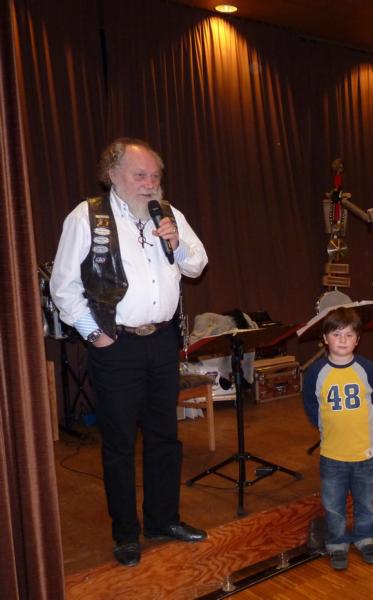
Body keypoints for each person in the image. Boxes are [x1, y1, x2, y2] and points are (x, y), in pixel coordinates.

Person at [50, 138, 209, 567]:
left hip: (162, 342)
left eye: (155, 176)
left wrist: (176, 242)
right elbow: (63, 287)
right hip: (115, 344)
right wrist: (95, 335)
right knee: (119, 443)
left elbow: (197, 265)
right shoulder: (86, 216)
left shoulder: (169, 214)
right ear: (112, 175)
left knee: (164, 437)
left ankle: (163, 520)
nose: (149, 183)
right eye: (140, 175)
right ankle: (125, 533)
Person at [302, 307, 373, 571]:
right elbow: (310, 403)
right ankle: (337, 543)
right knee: (333, 505)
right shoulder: (316, 372)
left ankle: (365, 539)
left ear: (357, 340)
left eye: (349, 335)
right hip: (332, 455)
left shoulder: (367, 368)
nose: (342, 340)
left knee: (365, 502)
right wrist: (325, 424)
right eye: (336, 334)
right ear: (325, 338)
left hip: (364, 453)